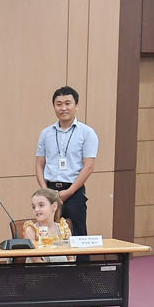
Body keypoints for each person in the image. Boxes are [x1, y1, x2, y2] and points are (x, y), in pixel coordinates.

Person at [22, 189, 98, 307]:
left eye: (41, 205)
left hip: (63, 271)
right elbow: (36, 260)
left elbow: (71, 256)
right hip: (40, 275)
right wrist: (57, 273)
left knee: (89, 288)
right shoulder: (31, 229)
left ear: (54, 206)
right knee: (62, 287)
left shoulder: (63, 226)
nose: (36, 210)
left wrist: (69, 271)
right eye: (34, 206)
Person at [34, 85, 99, 237]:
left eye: (67, 103)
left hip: (74, 191)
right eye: (59, 104)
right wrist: (45, 191)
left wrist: (69, 192)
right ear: (54, 107)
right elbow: (39, 164)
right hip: (50, 190)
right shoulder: (46, 133)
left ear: (76, 106)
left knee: (76, 234)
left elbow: (89, 167)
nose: (63, 108)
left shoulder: (87, 133)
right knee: (48, 234)